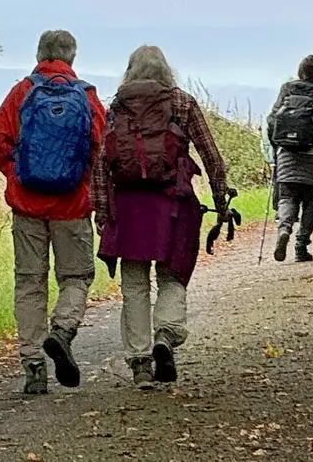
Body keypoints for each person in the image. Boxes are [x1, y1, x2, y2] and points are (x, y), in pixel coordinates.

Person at [92, 46, 232, 389]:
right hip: (173, 204)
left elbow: (102, 162)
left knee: (134, 286)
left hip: (129, 206)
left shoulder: (118, 105)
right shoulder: (182, 102)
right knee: (172, 276)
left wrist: (102, 212)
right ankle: (166, 336)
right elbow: (211, 156)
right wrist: (221, 200)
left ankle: (140, 364)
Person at [0, 29, 108, 394]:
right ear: (72, 57)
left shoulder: (22, 92)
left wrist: (18, 174)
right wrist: (82, 178)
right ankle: (63, 330)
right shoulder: (86, 96)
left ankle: (34, 367)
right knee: (76, 277)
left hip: (27, 206)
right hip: (72, 205)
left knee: (30, 283)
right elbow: (102, 147)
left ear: (39, 55)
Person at [265, 55, 313, 262]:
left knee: (287, 197)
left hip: (287, 154)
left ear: (300, 72)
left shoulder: (287, 89)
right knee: (311, 201)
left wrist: (277, 145)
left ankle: (284, 229)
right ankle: (301, 246)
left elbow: (272, 120)